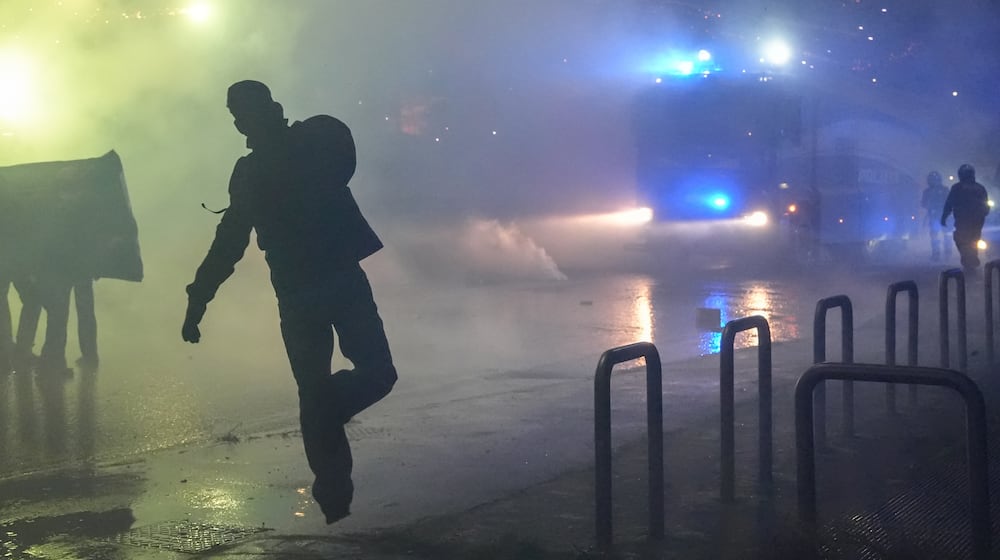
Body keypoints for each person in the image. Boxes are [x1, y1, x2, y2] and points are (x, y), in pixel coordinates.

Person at [182, 80, 397, 524]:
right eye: (237, 116)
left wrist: (199, 299)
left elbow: (230, 243)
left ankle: (326, 439)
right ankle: (334, 498)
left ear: (267, 110)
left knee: (354, 384)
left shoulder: (308, 143)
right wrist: (199, 296)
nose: (241, 123)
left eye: (243, 114)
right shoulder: (272, 161)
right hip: (310, 290)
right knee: (361, 380)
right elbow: (230, 242)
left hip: (325, 284)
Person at [941, 163, 990, 274]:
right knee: (972, 240)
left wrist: (944, 216)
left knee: (962, 240)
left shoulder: (957, 188)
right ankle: (971, 260)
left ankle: (970, 261)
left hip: (964, 221)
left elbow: (949, 203)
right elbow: (986, 206)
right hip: (975, 221)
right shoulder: (979, 188)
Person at [921, 171, 952, 261]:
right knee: (937, 236)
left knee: (942, 235)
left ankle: (942, 253)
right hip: (938, 217)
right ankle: (940, 253)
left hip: (941, 216)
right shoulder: (930, 191)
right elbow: (924, 203)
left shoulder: (942, 190)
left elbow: (923, 204)